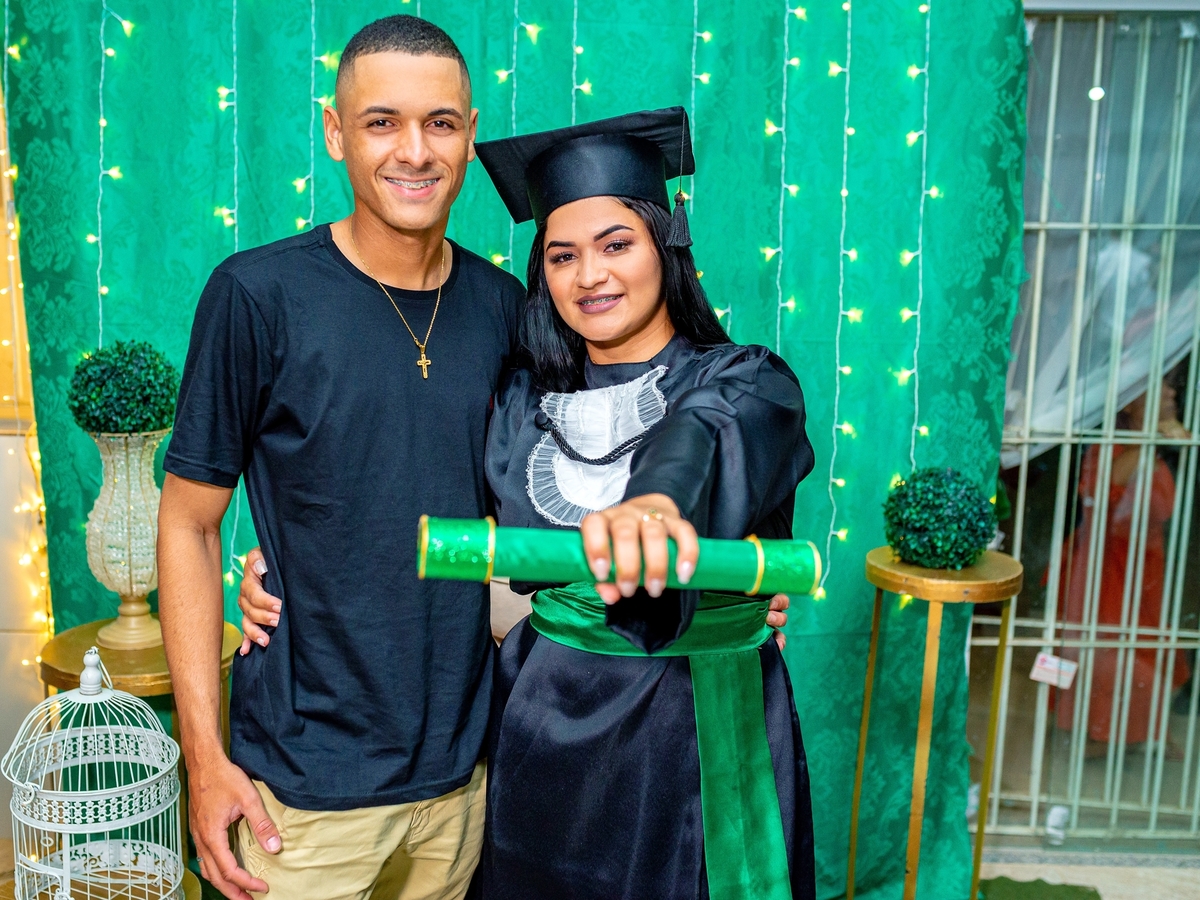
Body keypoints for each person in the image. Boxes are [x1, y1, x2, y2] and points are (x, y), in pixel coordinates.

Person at [158, 16, 520, 900]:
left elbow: (550, 508)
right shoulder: (257, 294)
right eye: (381, 122)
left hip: (463, 779)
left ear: (470, 135)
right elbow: (189, 525)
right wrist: (203, 760)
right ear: (335, 132)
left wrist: (721, 595)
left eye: (440, 123)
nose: (414, 151)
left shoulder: (507, 306)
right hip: (300, 791)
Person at [474, 109, 816, 899]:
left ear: (667, 246)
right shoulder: (522, 404)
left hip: (694, 733)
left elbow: (709, 433)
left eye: (616, 245)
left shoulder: (747, 380)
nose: (589, 275)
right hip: (545, 727)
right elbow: (484, 555)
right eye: (563, 256)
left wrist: (655, 505)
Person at [1056, 375, 1192, 751]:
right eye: (1160, 386)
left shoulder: (1155, 446)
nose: (1171, 393)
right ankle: (1097, 734)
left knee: (1141, 649)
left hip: (1145, 568)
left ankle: (1129, 734)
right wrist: (1152, 439)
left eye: (1170, 385)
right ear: (1130, 401)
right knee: (1109, 650)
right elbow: (1103, 490)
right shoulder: (1112, 445)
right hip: (1107, 568)